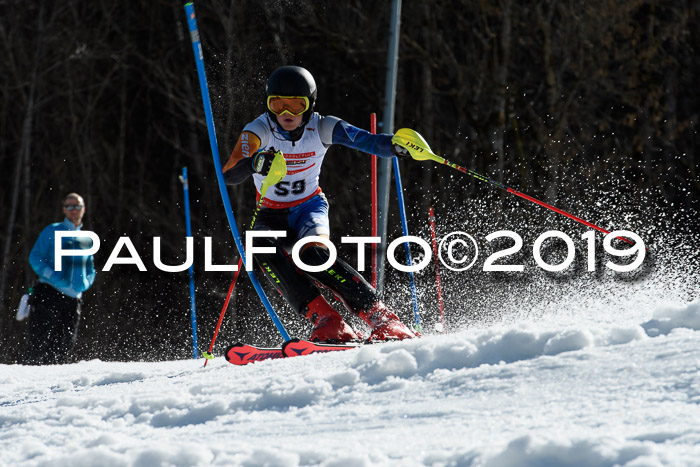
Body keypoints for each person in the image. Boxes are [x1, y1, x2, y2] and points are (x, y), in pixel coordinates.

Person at [223, 65, 418, 343]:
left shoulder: (323, 126)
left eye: (296, 105)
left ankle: (381, 317)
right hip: (270, 214)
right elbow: (230, 173)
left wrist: (397, 146)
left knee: (313, 256)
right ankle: (328, 320)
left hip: (308, 208)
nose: (286, 114)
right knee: (257, 247)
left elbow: (369, 142)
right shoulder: (259, 130)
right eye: (277, 104)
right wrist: (254, 162)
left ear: (310, 104)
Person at [25, 193, 96, 364]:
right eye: (70, 206)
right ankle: (29, 383)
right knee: (39, 342)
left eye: (77, 206)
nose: (74, 210)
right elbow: (35, 257)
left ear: (84, 209)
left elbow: (91, 269)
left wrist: (85, 284)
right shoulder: (52, 230)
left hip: (73, 300)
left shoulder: (86, 239)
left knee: (64, 346)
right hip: (49, 292)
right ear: (64, 209)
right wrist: (52, 276)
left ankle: (55, 388)